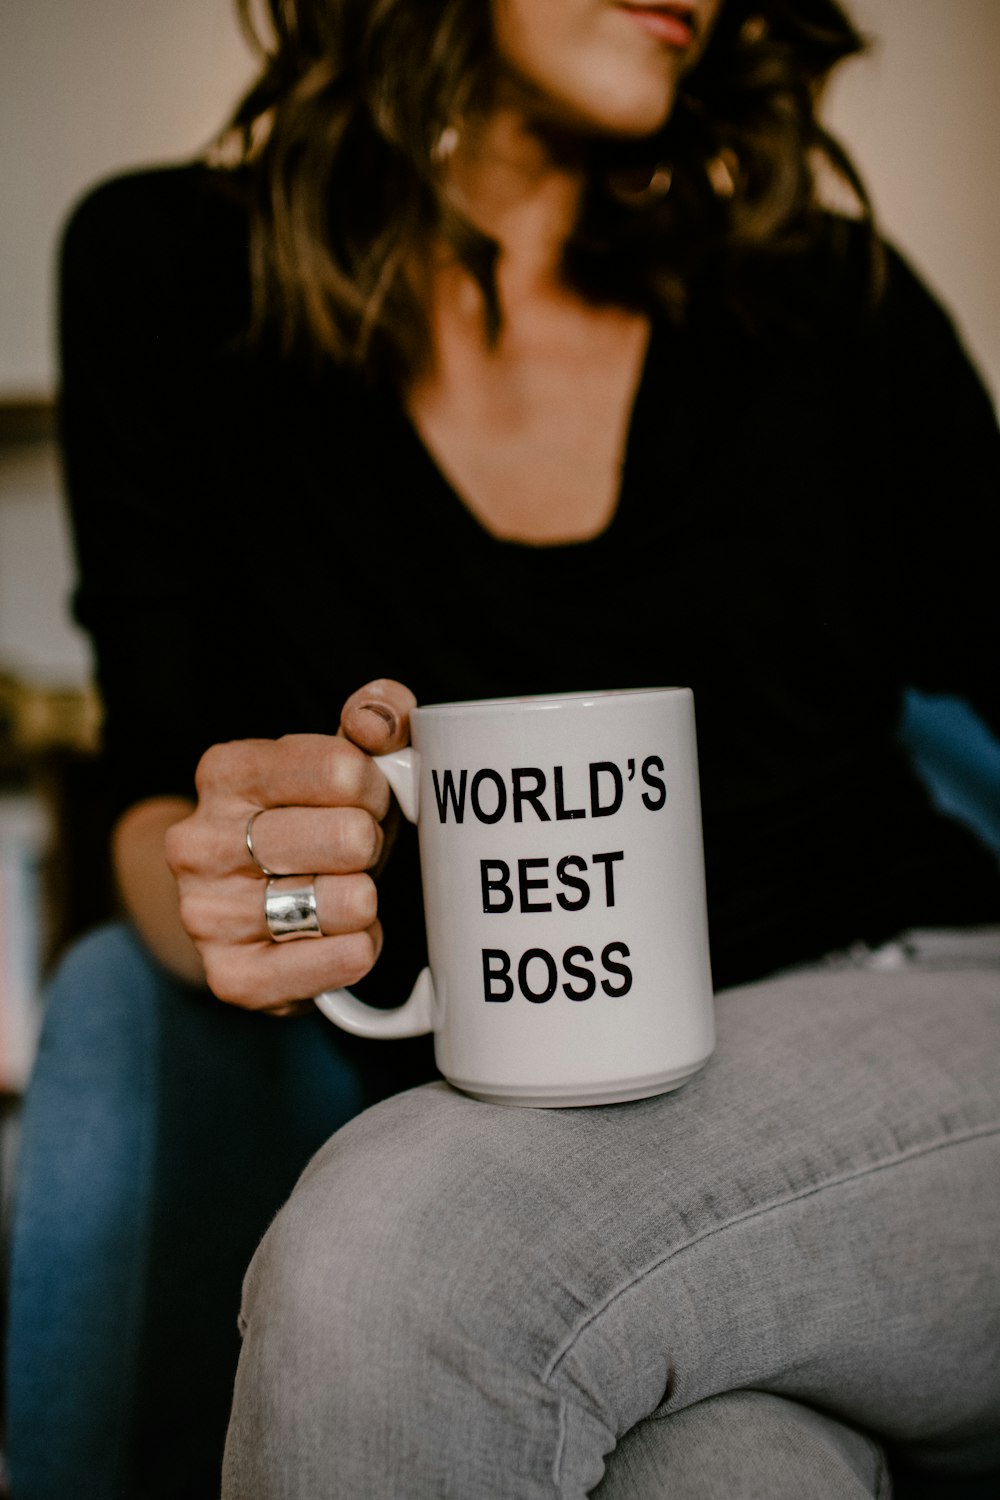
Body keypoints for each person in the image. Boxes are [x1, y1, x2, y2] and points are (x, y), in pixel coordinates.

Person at [6, 0, 999, 1495]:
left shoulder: (822, 301)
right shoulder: (170, 275)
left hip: (920, 1021)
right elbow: (166, 787)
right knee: (718, 1475)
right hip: (584, 1178)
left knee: (401, 1253)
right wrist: (250, 886)